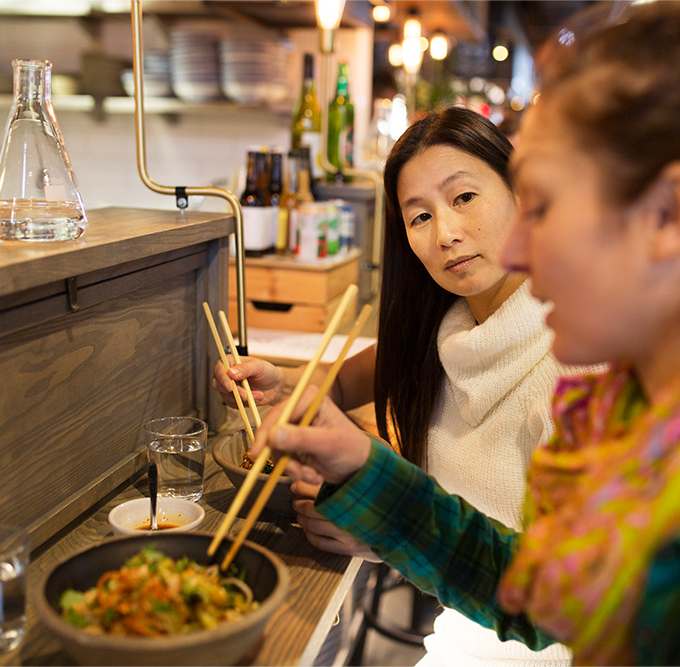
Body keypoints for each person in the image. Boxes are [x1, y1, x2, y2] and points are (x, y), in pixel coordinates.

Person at [248, 2, 680, 665]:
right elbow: (538, 591)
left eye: (544, 204)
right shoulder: (647, 412)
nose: (519, 250)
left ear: (671, 213)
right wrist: (360, 467)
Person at [215, 107, 602, 665]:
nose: (446, 233)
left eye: (464, 197)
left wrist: (386, 529)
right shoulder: (455, 325)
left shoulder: (578, 360)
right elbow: (375, 368)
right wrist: (294, 385)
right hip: (467, 630)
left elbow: (560, 601)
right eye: (419, 217)